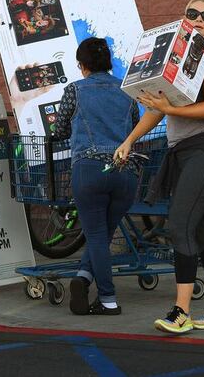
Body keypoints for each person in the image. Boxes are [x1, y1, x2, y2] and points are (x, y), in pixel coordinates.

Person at [116, 0, 204, 333]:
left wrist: (170, 110)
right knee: (201, 232)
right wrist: (130, 140)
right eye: (192, 14)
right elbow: (158, 108)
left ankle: (181, 312)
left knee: (180, 225)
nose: (199, 19)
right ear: (184, 19)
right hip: (183, 154)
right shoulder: (179, 59)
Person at [51, 38, 140, 315]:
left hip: (89, 169)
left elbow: (60, 130)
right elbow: (137, 127)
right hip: (125, 171)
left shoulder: (75, 91)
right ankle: (83, 277)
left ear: (82, 65)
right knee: (102, 233)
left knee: (98, 235)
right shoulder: (127, 90)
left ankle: (108, 299)